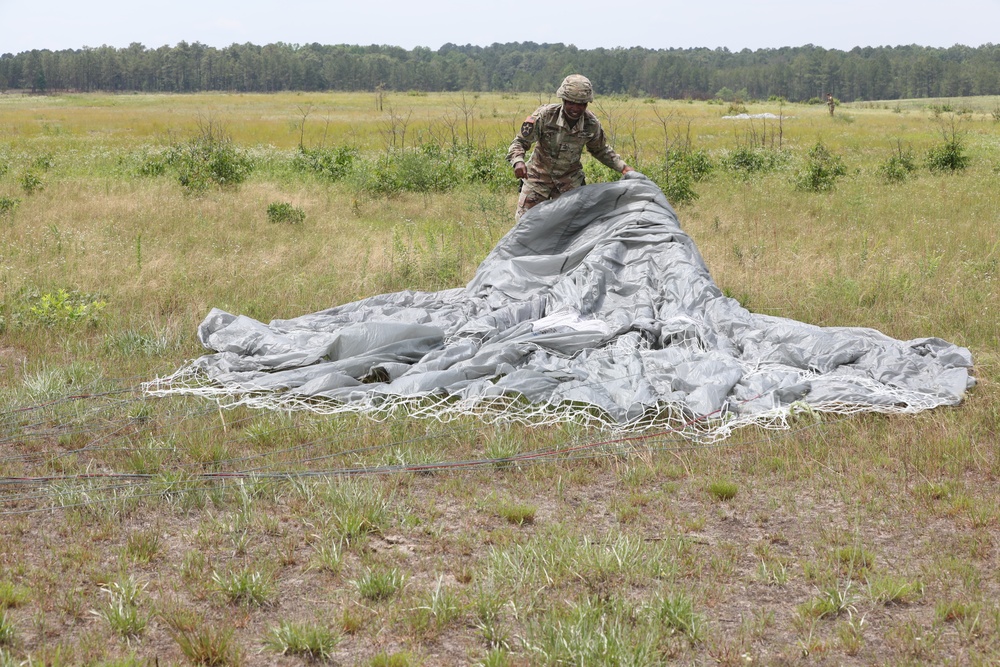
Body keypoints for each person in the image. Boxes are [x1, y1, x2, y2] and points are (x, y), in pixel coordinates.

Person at [507, 74, 633, 220]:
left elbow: (600, 149)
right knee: (525, 227)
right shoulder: (545, 116)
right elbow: (520, 142)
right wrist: (518, 161)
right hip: (537, 180)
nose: (576, 108)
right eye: (571, 103)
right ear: (564, 100)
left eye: (582, 104)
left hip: (569, 184)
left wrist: (623, 167)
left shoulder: (590, 124)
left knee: (572, 229)